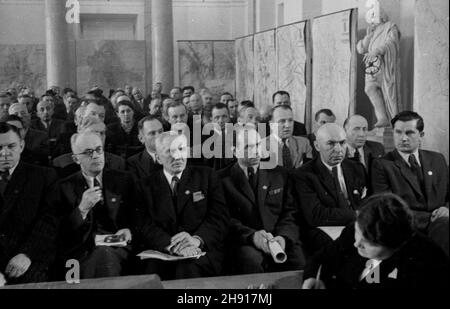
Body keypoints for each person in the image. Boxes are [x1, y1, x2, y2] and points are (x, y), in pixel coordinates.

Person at [302, 193, 449, 289]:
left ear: (392, 243)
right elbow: (322, 258)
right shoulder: (355, 230)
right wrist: (312, 278)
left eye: (366, 243)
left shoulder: (426, 263)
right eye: (357, 233)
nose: (356, 244)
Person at [139, 132, 229, 279]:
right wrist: (173, 246)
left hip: (202, 249)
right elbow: (145, 225)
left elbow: (219, 218)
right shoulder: (146, 186)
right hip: (163, 251)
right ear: (158, 158)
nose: (177, 156)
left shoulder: (207, 176)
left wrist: (196, 240)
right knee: (152, 275)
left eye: (181, 149)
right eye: (169, 151)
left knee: (188, 270)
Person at [219, 127, 305, 274]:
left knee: (298, 262)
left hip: (279, 237)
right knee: (251, 262)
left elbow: (290, 212)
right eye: (248, 147)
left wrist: (283, 237)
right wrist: (252, 237)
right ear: (235, 151)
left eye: (258, 145)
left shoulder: (280, 174)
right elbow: (223, 219)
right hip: (245, 241)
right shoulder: (222, 180)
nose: (256, 151)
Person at [57, 131, 137, 279]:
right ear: (76, 159)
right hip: (82, 249)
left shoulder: (124, 180)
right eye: (88, 152)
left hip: (118, 247)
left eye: (99, 150)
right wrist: (82, 209)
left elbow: (138, 216)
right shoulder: (65, 187)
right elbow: (62, 231)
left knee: (104, 255)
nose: (95, 155)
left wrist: (128, 229)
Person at [371, 111, 449, 256]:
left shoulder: (437, 159)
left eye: (410, 133)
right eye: (398, 132)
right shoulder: (382, 165)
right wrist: (435, 218)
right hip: (409, 227)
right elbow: (387, 208)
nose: (403, 138)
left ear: (421, 135)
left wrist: (447, 209)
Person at [292, 123, 367, 253]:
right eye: (331, 144)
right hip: (324, 230)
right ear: (317, 146)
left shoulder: (356, 168)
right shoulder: (304, 175)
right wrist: (357, 215)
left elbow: (367, 202)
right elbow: (316, 215)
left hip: (358, 226)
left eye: (342, 143)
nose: (338, 149)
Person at [0, 123, 59, 284]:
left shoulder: (43, 176)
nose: (4, 153)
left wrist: (26, 254)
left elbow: (49, 222)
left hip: (30, 257)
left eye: (11, 146)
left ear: (21, 145)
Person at [356, 0, 400, 127]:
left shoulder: (390, 26)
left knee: (387, 93)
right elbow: (360, 49)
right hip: (371, 67)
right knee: (369, 89)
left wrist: (377, 50)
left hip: (384, 66)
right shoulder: (371, 31)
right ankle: (382, 118)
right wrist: (368, 37)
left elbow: (391, 42)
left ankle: (392, 120)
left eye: (374, 14)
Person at [52, 116, 126, 179]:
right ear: (80, 135)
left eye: (102, 133)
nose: (99, 137)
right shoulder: (61, 163)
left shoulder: (117, 163)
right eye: (93, 133)